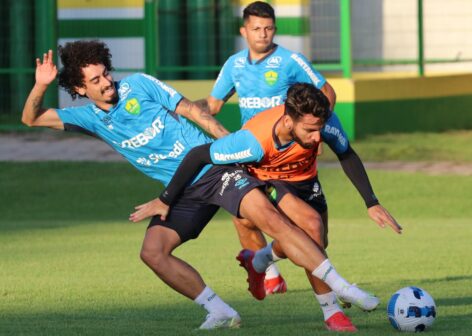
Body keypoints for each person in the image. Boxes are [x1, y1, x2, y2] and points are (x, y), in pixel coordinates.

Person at [22, 40, 375, 332]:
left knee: (275, 222)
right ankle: (220, 310)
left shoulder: (140, 85)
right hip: (178, 189)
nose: (106, 82)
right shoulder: (87, 118)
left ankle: (340, 297)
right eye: (95, 80)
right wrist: (40, 85)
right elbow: (31, 118)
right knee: (153, 252)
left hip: (214, 168)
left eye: (105, 73)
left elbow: (193, 111)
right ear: (80, 89)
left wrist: (233, 144)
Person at [131, 83, 402, 332]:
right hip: (267, 180)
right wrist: (166, 199)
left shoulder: (325, 123)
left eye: (320, 128)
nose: (318, 137)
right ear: (288, 121)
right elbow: (198, 155)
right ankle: (332, 312)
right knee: (312, 226)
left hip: (307, 182)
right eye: (310, 130)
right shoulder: (252, 140)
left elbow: (346, 153)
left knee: (317, 242)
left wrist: (371, 202)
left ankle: (259, 258)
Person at [199, 0, 337, 295]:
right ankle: (271, 275)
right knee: (242, 217)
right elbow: (212, 105)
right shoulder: (234, 64)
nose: (263, 34)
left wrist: (317, 133)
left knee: (315, 235)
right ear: (244, 31)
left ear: (274, 29)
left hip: (287, 155)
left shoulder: (290, 60)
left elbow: (326, 92)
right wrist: (181, 108)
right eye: (256, 28)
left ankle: (271, 258)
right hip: (253, 153)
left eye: (268, 28)